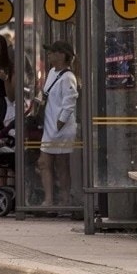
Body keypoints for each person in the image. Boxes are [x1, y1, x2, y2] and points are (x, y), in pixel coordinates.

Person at [38, 40, 80, 207]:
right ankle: (55, 199)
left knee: (56, 164)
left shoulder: (68, 77)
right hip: (50, 126)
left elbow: (70, 102)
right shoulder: (52, 73)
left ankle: (60, 200)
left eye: (52, 52)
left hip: (59, 128)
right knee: (47, 163)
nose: (49, 55)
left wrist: (59, 123)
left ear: (62, 55)